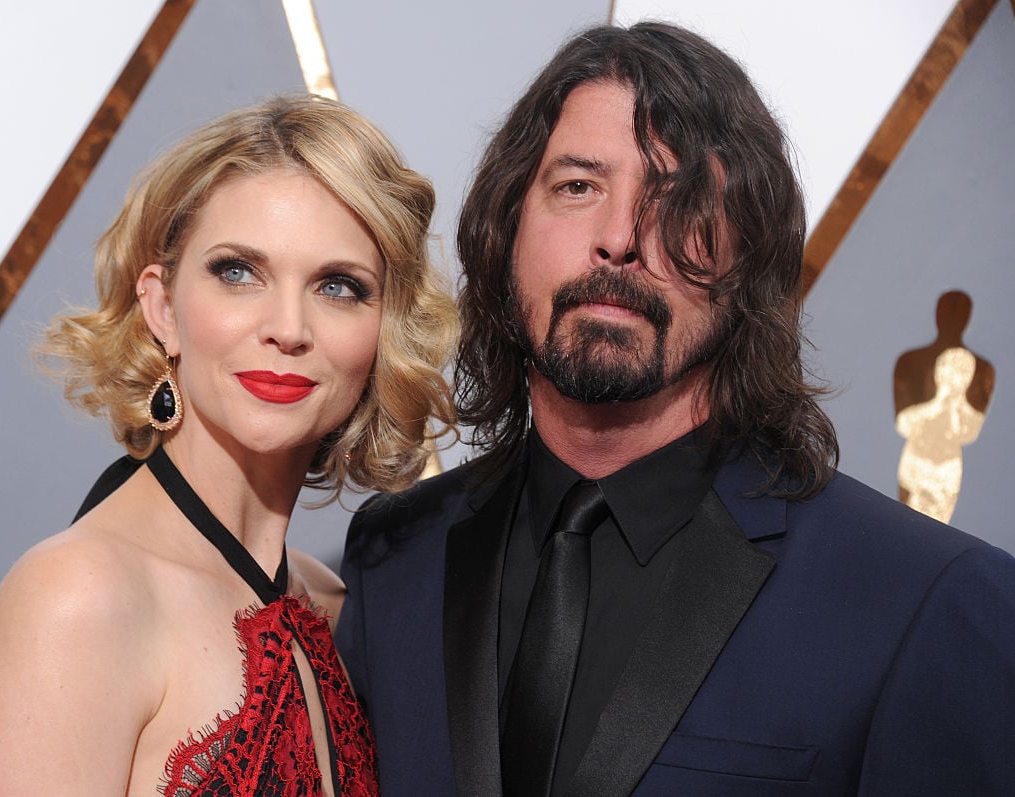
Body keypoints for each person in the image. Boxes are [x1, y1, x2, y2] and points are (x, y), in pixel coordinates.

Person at [336, 22, 1015, 796]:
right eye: (577, 186)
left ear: (748, 257)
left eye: (677, 197)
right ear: (506, 232)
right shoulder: (395, 558)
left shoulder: (928, 601)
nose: (619, 238)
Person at [0, 95, 456, 795]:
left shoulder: (337, 608)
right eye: (238, 271)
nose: (287, 326)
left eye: (338, 286)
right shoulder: (80, 598)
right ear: (162, 306)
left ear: (381, 332)